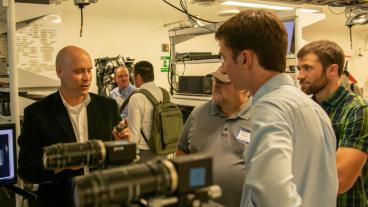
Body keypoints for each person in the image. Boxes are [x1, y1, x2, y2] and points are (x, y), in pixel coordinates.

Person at [215, 10, 338, 206]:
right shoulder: (313, 109)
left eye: (224, 57)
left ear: (245, 58)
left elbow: (272, 195)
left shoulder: (270, 108)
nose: (223, 69)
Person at [17, 46, 129, 207]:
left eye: (89, 70)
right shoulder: (38, 114)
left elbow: (119, 159)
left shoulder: (107, 107)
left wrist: (122, 145)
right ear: (59, 72)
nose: (86, 78)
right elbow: (27, 170)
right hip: (59, 201)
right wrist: (63, 164)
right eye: (78, 71)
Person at [296, 40, 368, 207]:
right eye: (300, 69)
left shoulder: (357, 110)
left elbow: (339, 180)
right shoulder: (304, 109)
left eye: (307, 68)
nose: (299, 75)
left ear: (332, 70)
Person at [176, 68, 251, 207]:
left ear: (245, 87)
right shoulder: (199, 113)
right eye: (215, 79)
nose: (216, 84)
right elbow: (182, 151)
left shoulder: (260, 117)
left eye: (223, 81)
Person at [127, 60, 165, 161]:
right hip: (165, 148)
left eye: (132, 75)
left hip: (146, 151)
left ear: (138, 77)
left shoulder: (137, 98)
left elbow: (134, 133)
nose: (132, 78)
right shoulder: (165, 93)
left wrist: (129, 156)